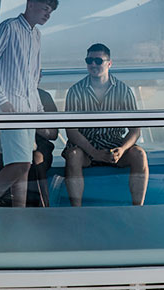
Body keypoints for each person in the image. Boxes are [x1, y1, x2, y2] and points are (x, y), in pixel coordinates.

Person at [0, 0, 58, 207]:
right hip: (11, 111)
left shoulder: (36, 35)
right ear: (30, 5)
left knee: (24, 167)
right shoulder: (8, 28)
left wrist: (38, 113)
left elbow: (33, 79)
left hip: (28, 112)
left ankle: (19, 213)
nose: (47, 15)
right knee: (21, 164)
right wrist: (2, 102)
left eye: (50, 11)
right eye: (45, 9)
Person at [63, 43, 148, 206]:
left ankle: (138, 208)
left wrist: (122, 149)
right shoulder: (76, 91)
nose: (93, 64)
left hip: (114, 145)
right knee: (73, 156)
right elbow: (71, 131)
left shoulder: (123, 91)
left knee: (139, 155)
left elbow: (135, 130)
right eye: (89, 60)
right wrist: (93, 152)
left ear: (109, 63)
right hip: (85, 146)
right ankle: (76, 211)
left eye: (98, 60)